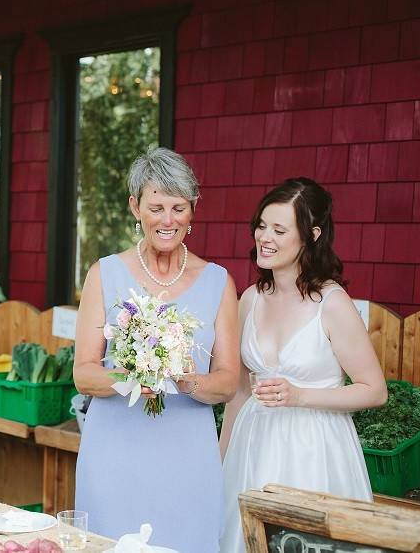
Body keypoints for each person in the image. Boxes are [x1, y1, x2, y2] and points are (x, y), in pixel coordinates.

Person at [73, 147, 240, 552]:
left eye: (178, 208)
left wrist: (184, 379)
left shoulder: (219, 282)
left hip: (187, 459)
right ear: (135, 207)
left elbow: (228, 382)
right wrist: (132, 377)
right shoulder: (104, 273)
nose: (168, 221)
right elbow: (84, 372)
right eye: (156, 207)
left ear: (193, 209)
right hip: (114, 454)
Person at [219, 177, 387, 553]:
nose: (265, 237)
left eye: (279, 229)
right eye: (262, 226)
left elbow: (374, 391)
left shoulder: (333, 302)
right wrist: (220, 460)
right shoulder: (250, 299)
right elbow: (239, 393)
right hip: (253, 444)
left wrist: (300, 395)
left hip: (314, 448)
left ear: (311, 235)